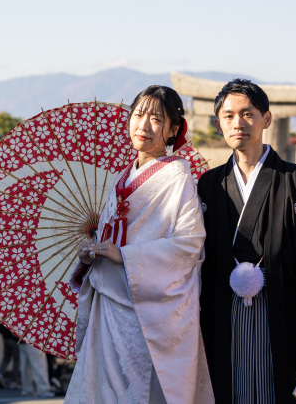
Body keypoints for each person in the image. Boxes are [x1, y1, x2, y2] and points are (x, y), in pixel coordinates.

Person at [199, 79, 296, 403]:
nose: (238, 123)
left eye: (248, 114)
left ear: (266, 119)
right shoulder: (209, 185)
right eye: (228, 116)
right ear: (218, 124)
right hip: (225, 316)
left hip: (285, 316)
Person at [65, 85, 214, 403]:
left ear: (173, 130)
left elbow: (189, 244)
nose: (143, 125)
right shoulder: (122, 177)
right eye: (138, 115)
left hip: (147, 313)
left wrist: (124, 255)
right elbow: (112, 238)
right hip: (108, 305)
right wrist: (92, 253)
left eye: (156, 119)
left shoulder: (178, 177)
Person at [0, 322, 20, 389]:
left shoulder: (1, 316)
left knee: (6, 358)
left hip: (5, 338)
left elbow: (0, 329)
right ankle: (14, 381)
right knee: (16, 360)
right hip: (13, 339)